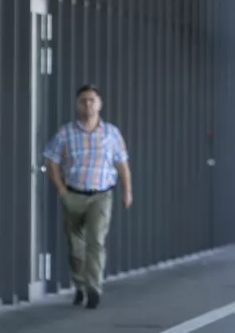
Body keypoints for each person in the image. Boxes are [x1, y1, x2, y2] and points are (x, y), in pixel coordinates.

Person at [43, 84, 133, 309]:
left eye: (92, 100)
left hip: (101, 196)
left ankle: (94, 288)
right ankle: (80, 285)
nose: (88, 104)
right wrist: (61, 190)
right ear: (77, 104)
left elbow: (122, 165)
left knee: (96, 242)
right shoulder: (66, 133)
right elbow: (51, 161)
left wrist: (127, 191)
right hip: (73, 195)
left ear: (100, 104)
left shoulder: (111, 133)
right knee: (75, 247)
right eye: (84, 100)